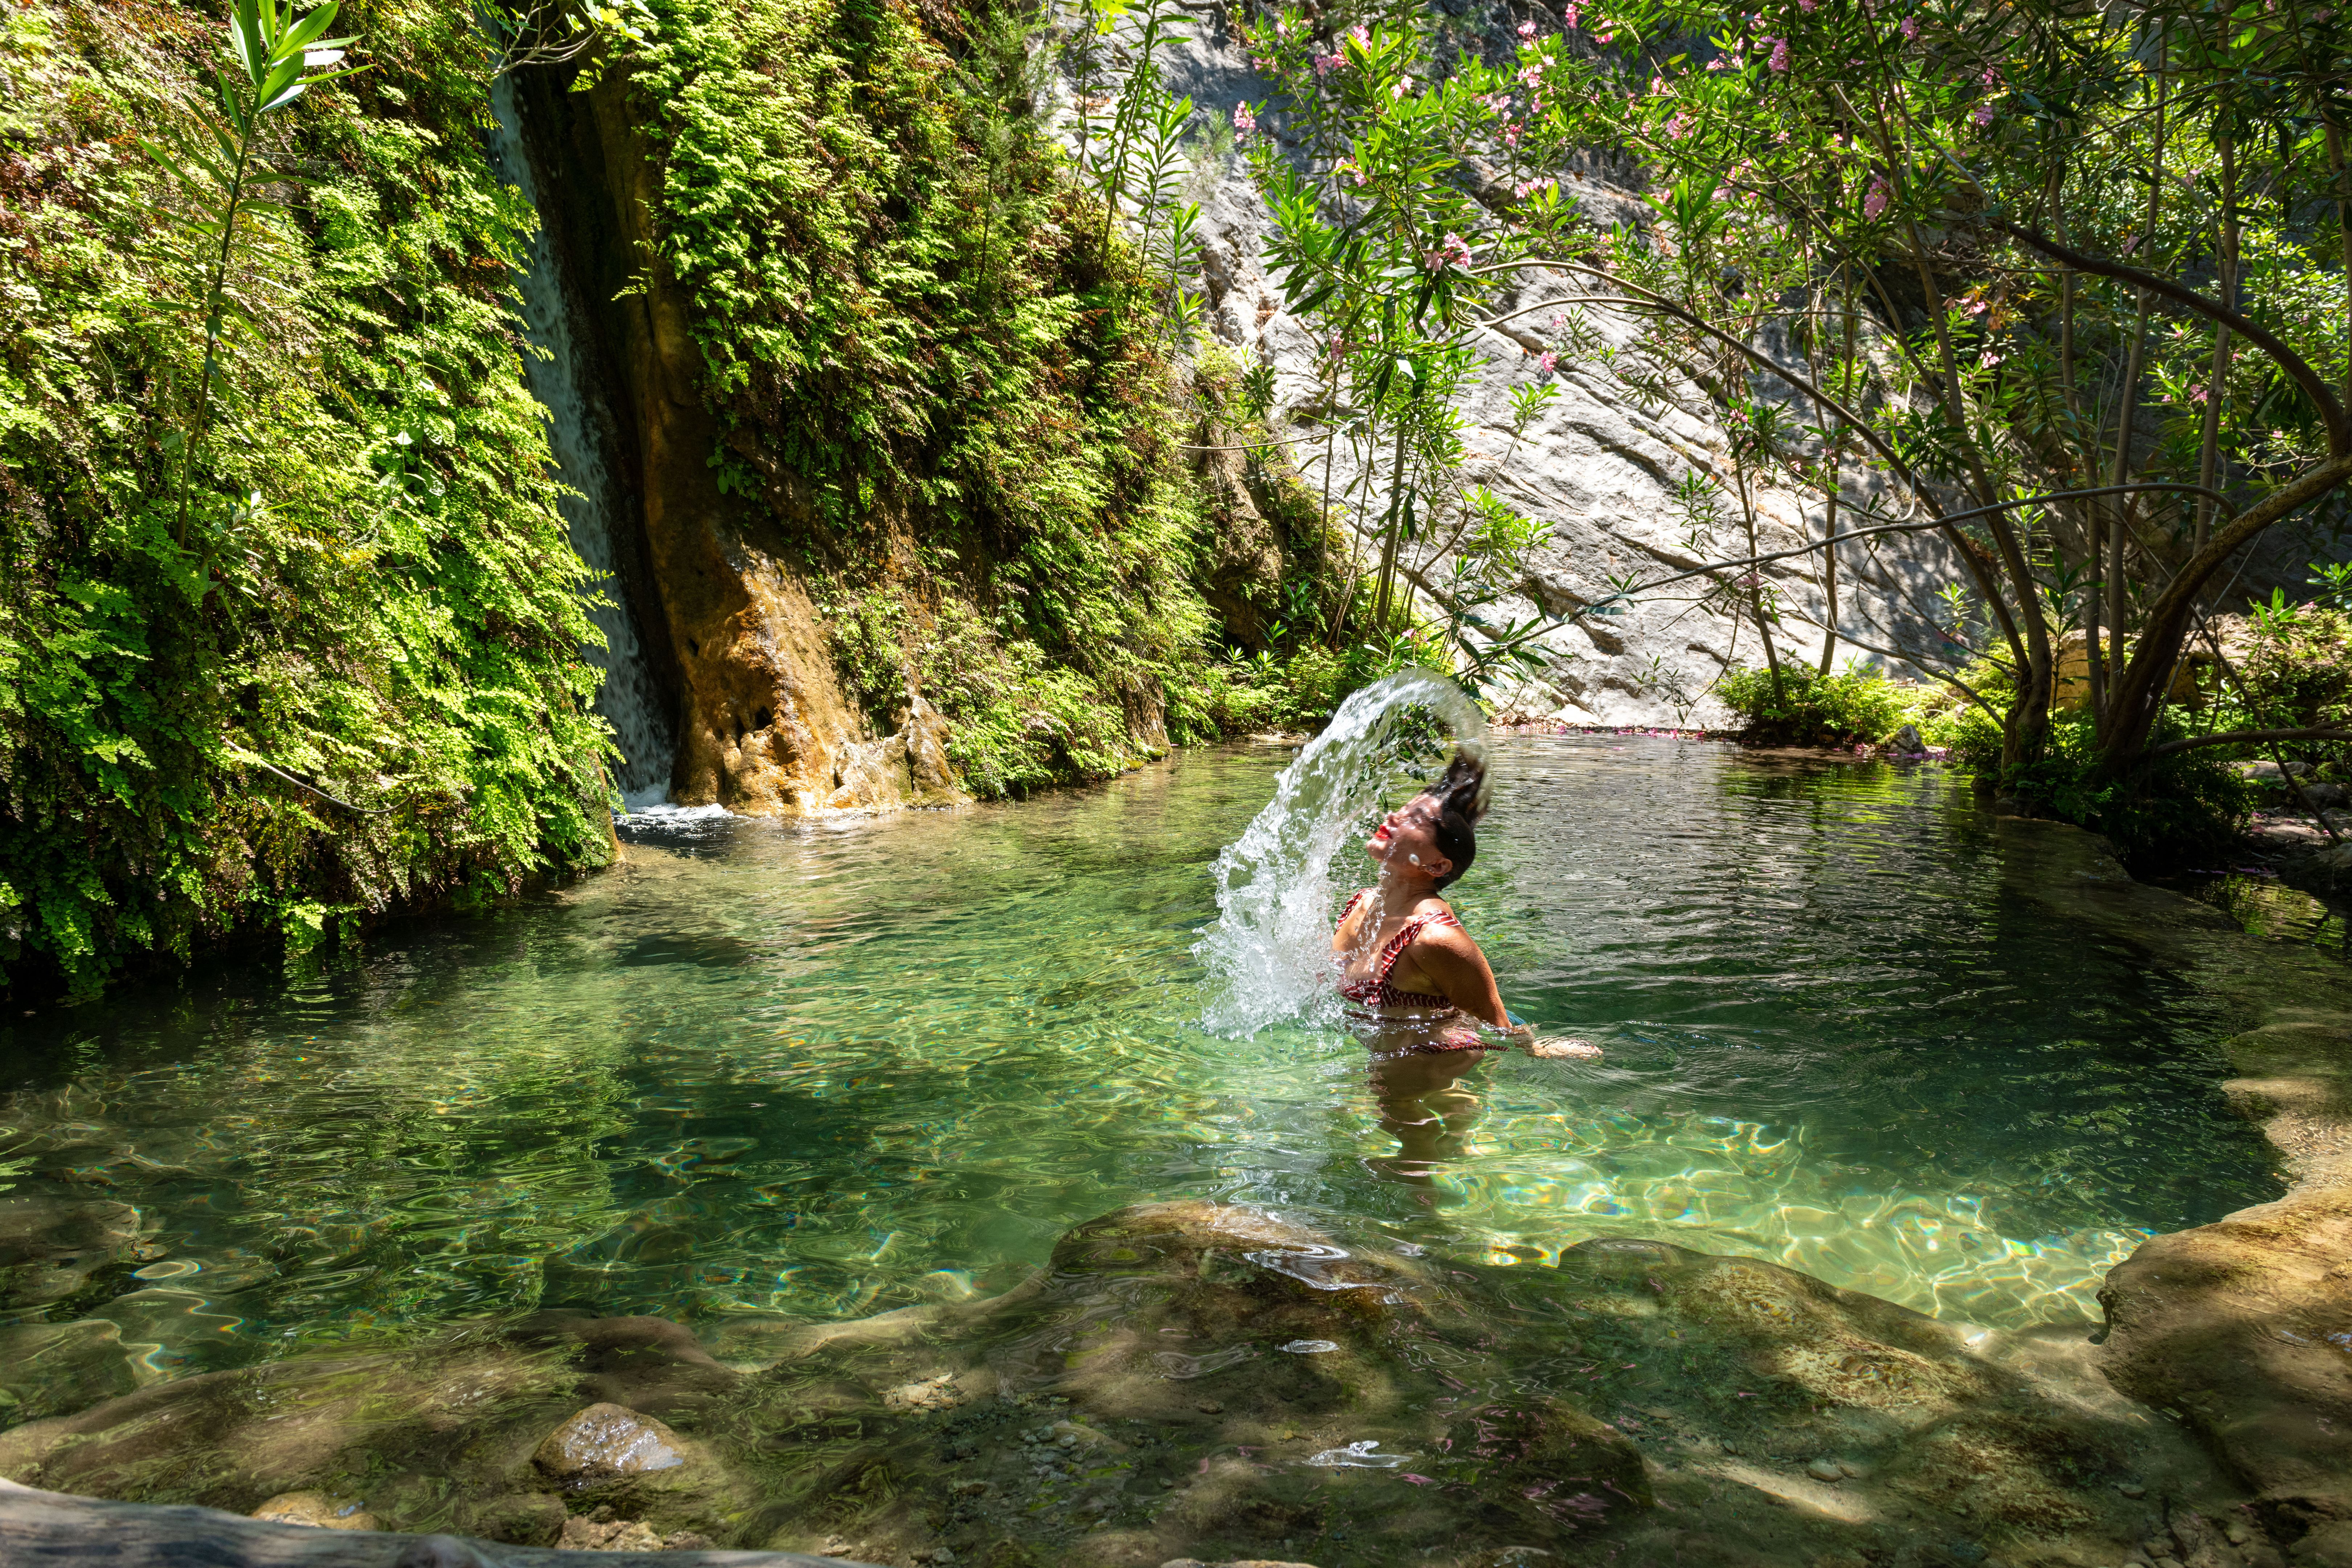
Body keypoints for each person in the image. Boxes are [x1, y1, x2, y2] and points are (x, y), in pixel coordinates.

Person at [1330, 750, 1598, 1179]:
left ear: (1437, 866)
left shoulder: (1436, 939)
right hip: (1386, 1047)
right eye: (1404, 809)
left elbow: (1493, 1019)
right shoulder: (1364, 905)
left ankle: (1424, 1223)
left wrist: (1539, 1050)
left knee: (1407, 1154)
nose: (1394, 817)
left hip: (1428, 1056)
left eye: (1415, 820)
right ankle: (1458, 1124)